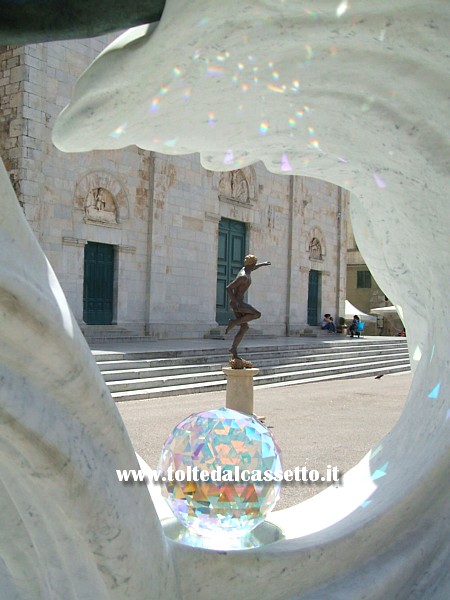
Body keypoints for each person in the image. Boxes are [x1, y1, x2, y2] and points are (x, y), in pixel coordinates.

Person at [225, 254, 271, 358]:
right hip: (238, 303)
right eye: (254, 263)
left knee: (244, 327)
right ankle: (233, 322)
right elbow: (228, 288)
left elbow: (253, 268)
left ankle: (233, 348)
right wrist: (235, 301)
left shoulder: (247, 269)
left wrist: (263, 264)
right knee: (257, 314)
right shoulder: (243, 277)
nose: (255, 265)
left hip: (238, 302)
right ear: (251, 264)